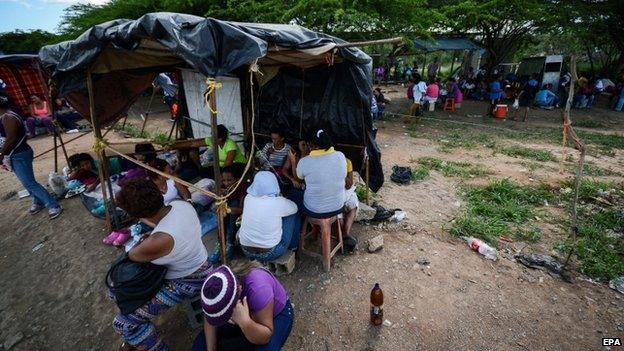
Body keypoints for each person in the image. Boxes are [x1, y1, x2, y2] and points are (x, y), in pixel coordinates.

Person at [112, 178, 210, 351]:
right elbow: (168, 228)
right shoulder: (181, 205)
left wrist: (148, 241)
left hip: (188, 281)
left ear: (136, 215)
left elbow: (133, 256)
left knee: (123, 323)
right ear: (159, 192)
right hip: (202, 264)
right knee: (116, 293)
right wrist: (151, 238)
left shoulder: (158, 240)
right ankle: (136, 335)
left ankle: (154, 345)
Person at [193, 261, 294, 351]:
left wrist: (245, 322)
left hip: (276, 315)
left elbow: (265, 336)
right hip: (241, 312)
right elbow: (209, 317)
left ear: (239, 290)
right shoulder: (214, 282)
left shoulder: (259, 289)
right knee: (200, 344)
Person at [289, 130, 357, 249]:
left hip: (313, 210)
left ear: (311, 145)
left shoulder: (305, 162)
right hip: (337, 206)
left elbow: (298, 180)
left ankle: (297, 239)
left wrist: (294, 161)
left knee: (293, 194)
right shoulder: (340, 156)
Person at [0, 95, 62, 219]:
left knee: (29, 182)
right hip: (16, 154)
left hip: (19, 154)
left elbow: (11, 138)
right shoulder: (5, 116)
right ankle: (37, 201)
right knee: (26, 181)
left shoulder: (8, 117)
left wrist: (2, 155)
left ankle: (52, 204)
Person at [239, 171, 299, 262]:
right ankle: (294, 246)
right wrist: (282, 199)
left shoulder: (248, 198)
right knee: (291, 214)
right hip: (271, 253)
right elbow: (295, 208)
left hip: (246, 251)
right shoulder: (278, 202)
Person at [209, 164, 249, 263]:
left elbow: (242, 210)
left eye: (229, 180)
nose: (226, 183)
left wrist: (228, 209)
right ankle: (221, 243)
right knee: (220, 213)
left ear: (238, 179)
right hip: (228, 212)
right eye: (223, 180)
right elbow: (213, 193)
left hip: (239, 217)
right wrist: (222, 193)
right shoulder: (223, 186)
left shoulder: (244, 188)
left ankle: (230, 243)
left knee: (232, 206)